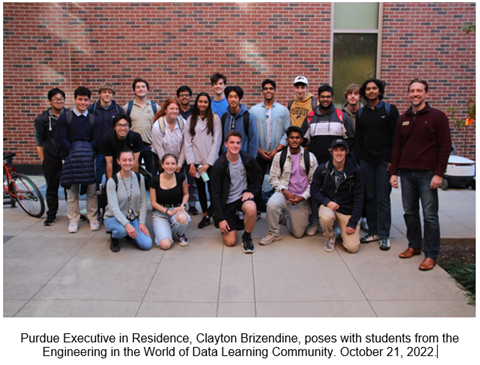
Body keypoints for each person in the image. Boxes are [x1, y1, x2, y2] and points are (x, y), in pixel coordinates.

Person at [390, 79, 451, 271]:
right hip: (406, 173)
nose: (415, 94)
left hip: (428, 174)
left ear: (426, 93)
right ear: (408, 94)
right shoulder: (403, 118)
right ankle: (414, 245)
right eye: (412, 91)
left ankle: (431, 254)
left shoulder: (437, 117)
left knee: (430, 216)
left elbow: (445, 147)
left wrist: (439, 174)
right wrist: (394, 173)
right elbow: (397, 148)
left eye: (419, 91)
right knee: (410, 212)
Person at [302, 85, 355, 236]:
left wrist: (341, 158)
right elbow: (303, 139)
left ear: (332, 98)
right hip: (316, 163)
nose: (325, 99)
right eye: (322, 97)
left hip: (337, 164)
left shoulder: (341, 116)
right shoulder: (310, 117)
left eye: (328, 97)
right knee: (314, 191)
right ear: (318, 98)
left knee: (336, 191)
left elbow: (350, 140)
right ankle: (314, 222)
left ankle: (335, 222)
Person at [354, 79, 399, 251]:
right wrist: (357, 162)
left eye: (374, 88)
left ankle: (384, 235)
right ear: (364, 93)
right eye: (368, 89)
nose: (371, 91)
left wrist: (393, 162)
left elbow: (397, 138)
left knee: (382, 198)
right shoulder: (361, 112)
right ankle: (373, 231)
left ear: (380, 91)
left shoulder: (389, 110)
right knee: (370, 197)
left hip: (384, 162)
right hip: (366, 160)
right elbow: (359, 139)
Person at [260, 126, 318, 245]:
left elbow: (315, 183)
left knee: (298, 234)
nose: (294, 140)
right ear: (287, 140)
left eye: (297, 138)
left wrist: (302, 197)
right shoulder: (279, 156)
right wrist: (285, 191)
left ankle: (286, 216)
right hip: (284, 194)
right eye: (292, 138)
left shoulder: (310, 157)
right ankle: (273, 233)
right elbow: (273, 178)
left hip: (301, 199)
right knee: (272, 203)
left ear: (302, 140)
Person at [55, 86, 101, 233]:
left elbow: (96, 139)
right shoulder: (65, 117)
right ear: (74, 99)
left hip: (88, 159)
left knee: (92, 190)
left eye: (85, 99)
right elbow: (61, 137)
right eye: (80, 99)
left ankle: (92, 218)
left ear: (89, 101)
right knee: (72, 190)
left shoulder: (94, 119)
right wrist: (73, 153)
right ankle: (73, 220)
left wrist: (86, 152)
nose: (82, 102)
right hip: (70, 158)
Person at [211, 131, 261, 253]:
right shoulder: (219, 165)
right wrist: (220, 219)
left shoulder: (247, 159)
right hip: (227, 203)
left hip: (242, 198)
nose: (235, 145)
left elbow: (258, 176)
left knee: (251, 208)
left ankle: (247, 236)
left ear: (241, 144)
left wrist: (251, 192)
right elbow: (215, 194)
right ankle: (237, 220)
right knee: (230, 242)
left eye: (238, 143)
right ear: (225, 145)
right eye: (232, 142)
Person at [310, 139, 364, 253]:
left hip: (347, 210)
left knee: (352, 248)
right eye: (336, 150)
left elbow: (359, 197)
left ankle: (341, 229)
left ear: (347, 151)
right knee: (326, 217)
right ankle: (330, 237)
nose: (339, 153)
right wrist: (326, 202)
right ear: (331, 152)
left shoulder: (355, 171)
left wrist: (353, 221)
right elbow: (313, 191)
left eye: (342, 150)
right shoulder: (322, 169)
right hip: (329, 206)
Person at [249, 79, 290, 218]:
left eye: (271, 88)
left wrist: (277, 150)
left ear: (275, 90)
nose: (268, 91)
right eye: (265, 88)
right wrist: (259, 151)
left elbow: (287, 132)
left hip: (277, 154)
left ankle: (277, 211)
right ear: (262, 91)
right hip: (259, 154)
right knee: (257, 182)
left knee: (278, 183)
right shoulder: (253, 111)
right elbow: (251, 133)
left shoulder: (283, 110)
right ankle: (257, 210)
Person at [184, 92, 222, 228]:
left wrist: (208, 163)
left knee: (213, 190)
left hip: (210, 164)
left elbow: (216, 142)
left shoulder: (215, 119)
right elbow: (187, 143)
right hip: (197, 164)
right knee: (200, 189)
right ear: (196, 103)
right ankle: (205, 215)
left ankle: (215, 214)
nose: (203, 104)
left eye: (205, 102)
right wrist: (192, 164)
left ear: (209, 103)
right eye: (200, 101)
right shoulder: (190, 120)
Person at [103, 149, 152, 252]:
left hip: (132, 217)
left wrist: (141, 222)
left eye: (130, 160)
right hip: (113, 218)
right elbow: (114, 208)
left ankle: (128, 233)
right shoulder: (112, 181)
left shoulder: (139, 177)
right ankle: (115, 237)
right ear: (118, 161)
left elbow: (143, 201)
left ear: (134, 160)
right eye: (124, 160)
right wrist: (127, 224)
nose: (127, 163)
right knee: (122, 230)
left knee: (146, 244)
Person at [34, 88, 68, 226]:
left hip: (66, 157)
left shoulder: (68, 115)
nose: (59, 102)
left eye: (61, 99)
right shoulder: (42, 119)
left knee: (69, 187)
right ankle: (51, 214)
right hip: (50, 157)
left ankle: (73, 213)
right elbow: (39, 140)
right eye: (56, 99)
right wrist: (43, 160)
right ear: (50, 101)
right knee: (52, 188)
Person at [150, 154, 191, 250]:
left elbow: (186, 194)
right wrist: (168, 212)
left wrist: (183, 205)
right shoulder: (154, 180)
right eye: (167, 163)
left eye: (173, 163)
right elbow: (153, 202)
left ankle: (180, 234)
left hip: (176, 210)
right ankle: (168, 229)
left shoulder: (181, 177)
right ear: (162, 165)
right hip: (160, 213)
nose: (170, 166)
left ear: (176, 165)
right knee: (165, 245)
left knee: (183, 218)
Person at [87, 83, 125, 187]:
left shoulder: (118, 110)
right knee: (96, 180)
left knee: (115, 179)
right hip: (98, 151)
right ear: (99, 94)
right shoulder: (92, 109)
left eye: (109, 92)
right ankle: (99, 201)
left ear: (113, 95)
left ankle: (113, 201)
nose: (107, 94)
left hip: (115, 151)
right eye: (104, 92)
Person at [342, 83, 368, 232]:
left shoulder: (366, 112)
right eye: (350, 93)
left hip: (363, 154)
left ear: (360, 96)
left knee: (363, 187)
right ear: (346, 96)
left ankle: (363, 217)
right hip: (347, 154)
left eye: (356, 93)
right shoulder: (341, 114)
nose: (353, 96)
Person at [124, 77, 158, 185]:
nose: (141, 89)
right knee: (133, 175)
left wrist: (156, 142)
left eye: (143, 87)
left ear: (148, 90)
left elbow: (161, 127)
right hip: (133, 148)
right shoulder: (127, 107)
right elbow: (123, 127)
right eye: (138, 87)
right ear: (134, 90)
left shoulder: (155, 107)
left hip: (150, 146)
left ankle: (152, 198)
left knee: (151, 175)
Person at [100, 113, 144, 180]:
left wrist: (134, 181)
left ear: (129, 127)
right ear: (114, 127)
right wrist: (110, 182)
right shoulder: (108, 139)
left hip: (130, 166)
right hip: (116, 166)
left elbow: (135, 161)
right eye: (119, 125)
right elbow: (109, 162)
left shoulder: (136, 137)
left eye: (125, 125)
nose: (122, 128)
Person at [176, 85, 199, 215]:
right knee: (179, 179)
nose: (184, 97)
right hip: (178, 150)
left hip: (192, 150)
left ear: (190, 97)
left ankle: (192, 204)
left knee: (192, 179)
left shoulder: (194, 111)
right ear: (178, 97)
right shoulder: (175, 111)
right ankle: (180, 203)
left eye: (186, 95)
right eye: (181, 95)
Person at [220, 86, 259, 158]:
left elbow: (253, 142)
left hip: (243, 161)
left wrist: (250, 162)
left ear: (240, 98)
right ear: (227, 99)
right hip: (226, 160)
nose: (233, 99)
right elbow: (220, 140)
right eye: (230, 97)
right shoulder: (224, 118)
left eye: (236, 97)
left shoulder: (248, 118)